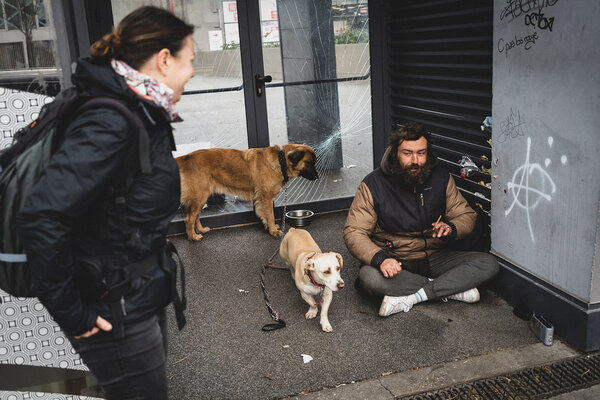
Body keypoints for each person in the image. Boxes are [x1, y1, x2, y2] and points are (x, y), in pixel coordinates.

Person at [15, 6, 195, 399]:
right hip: (115, 307)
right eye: (190, 60)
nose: (193, 72)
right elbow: (41, 215)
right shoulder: (111, 119)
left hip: (133, 294)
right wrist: (74, 314)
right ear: (164, 60)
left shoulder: (136, 107)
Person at [343, 122, 498, 317]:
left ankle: (416, 295)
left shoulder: (440, 177)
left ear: (428, 153)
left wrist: (451, 227)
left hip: (435, 256)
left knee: (488, 264)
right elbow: (354, 232)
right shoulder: (373, 184)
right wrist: (381, 259)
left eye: (421, 153)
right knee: (369, 278)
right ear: (395, 154)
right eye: (407, 153)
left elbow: (465, 215)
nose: (415, 160)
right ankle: (450, 288)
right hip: (396, 259)